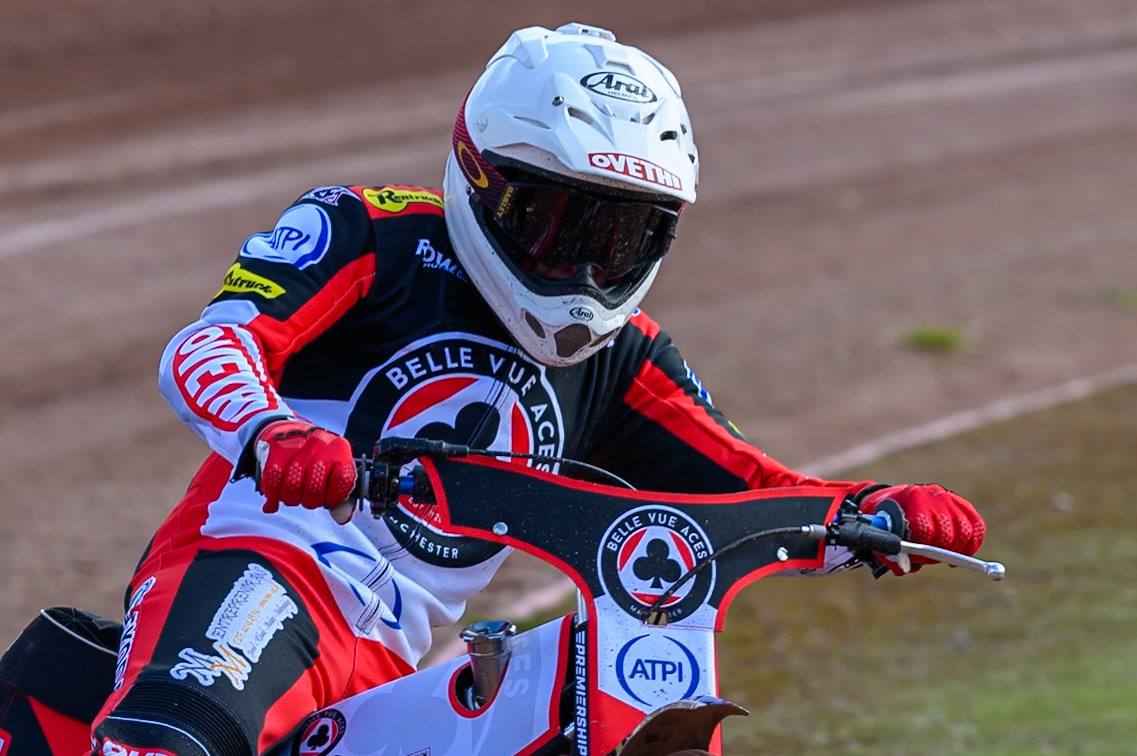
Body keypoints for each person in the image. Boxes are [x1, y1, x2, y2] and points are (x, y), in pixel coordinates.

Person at [77, 22, 984, 756]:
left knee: (610, 696)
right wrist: (270, 433)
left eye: (625, 234)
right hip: (261, 568)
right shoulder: (369, 234)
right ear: (482, 177)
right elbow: (211, 343)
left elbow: (748, 486)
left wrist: (873, 509)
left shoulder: (625, 358)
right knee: (170, 744)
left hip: (393, 660)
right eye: (559, 220)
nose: (588, 261)